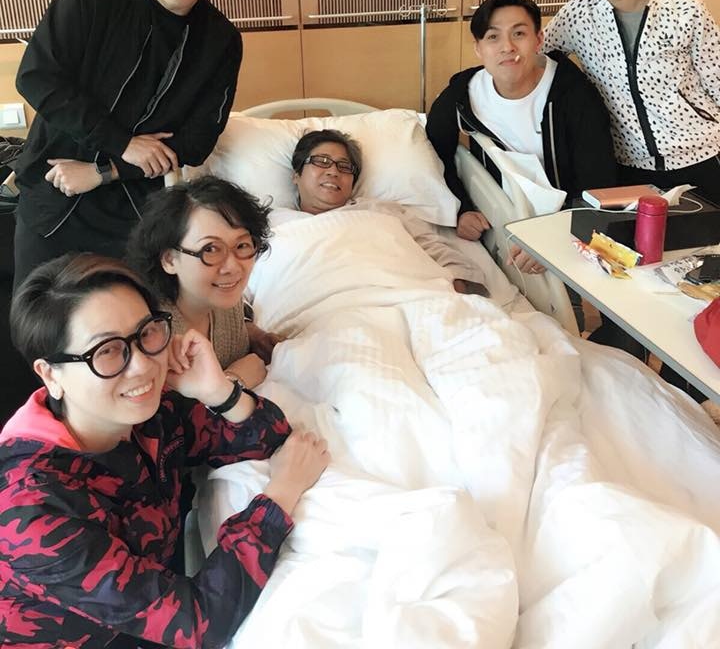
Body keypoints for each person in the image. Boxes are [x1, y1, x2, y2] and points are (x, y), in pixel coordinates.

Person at [0, 253, 328, 648]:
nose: (142, 365)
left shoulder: (149, 415)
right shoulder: (32, 508)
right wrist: (279, 497)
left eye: (146, 333)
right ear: (50, 374)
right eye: (106, 350)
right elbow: (199, 624)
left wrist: (217, 390)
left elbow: (268, 438)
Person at [13, 0, 242, 291]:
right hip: (53, 187)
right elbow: (36, 77)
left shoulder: (220, 41)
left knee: (129, 320)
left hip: (135, 212)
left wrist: (106, 169)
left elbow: (196, 142)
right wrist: (122, 142)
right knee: (36, 317)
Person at [426, 0, 617, 274]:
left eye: (519, 34)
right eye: (493, 37)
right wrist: (461, 208)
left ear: (539, 39)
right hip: (503, 224)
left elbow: (598, 186)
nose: (507, 47)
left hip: (566, 228)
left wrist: (555, 241)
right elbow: (433, 153)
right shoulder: (464, 94)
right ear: (478, 48)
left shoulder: (573, 96)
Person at [543, 0, 720, 202]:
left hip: (701, 156)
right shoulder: (578, 16)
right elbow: (536, 58)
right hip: (628, 167)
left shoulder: (685, 9)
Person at [276, 129, 489, 295]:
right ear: (296, 175)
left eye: (344, 166)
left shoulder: (383, 211)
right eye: (321, 161)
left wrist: (456, 292)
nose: (333, 171)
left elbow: (438, 250)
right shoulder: (275, 223)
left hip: (411, 295)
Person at [127, 176, 281, 390]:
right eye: (210, 249)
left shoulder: (224, 299)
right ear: (169, 260)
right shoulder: (151, 334)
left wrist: (253, 333)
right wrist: (234, 381)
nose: (233, 267)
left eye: (242, 245)